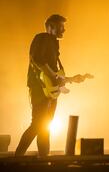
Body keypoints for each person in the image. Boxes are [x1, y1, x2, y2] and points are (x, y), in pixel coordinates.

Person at [15, 14, 88, 156]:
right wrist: (55, 77)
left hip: (49, 90)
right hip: (39, 87)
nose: (64, 30)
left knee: (45, 126)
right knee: (37, 124)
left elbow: (55, 73)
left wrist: (71, 79)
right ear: (50, 26)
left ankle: (44, 158)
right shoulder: (42, 38)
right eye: (61, 26)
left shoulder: (54, 43)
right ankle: (16, 158)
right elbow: (37, 60)